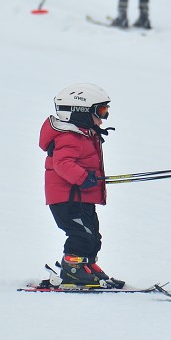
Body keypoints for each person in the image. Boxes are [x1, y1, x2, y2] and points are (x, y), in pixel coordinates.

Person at [38, 83, 124, 288]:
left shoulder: (83, 134)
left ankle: (87, 265)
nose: (103, 118)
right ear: (81, 112)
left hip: (80, 197)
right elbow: (62, 163)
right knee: (81, 234)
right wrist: (83, 177)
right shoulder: (69, 136)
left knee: (93, 235)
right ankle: (73, 269)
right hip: (67, 199)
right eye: (100, 111)